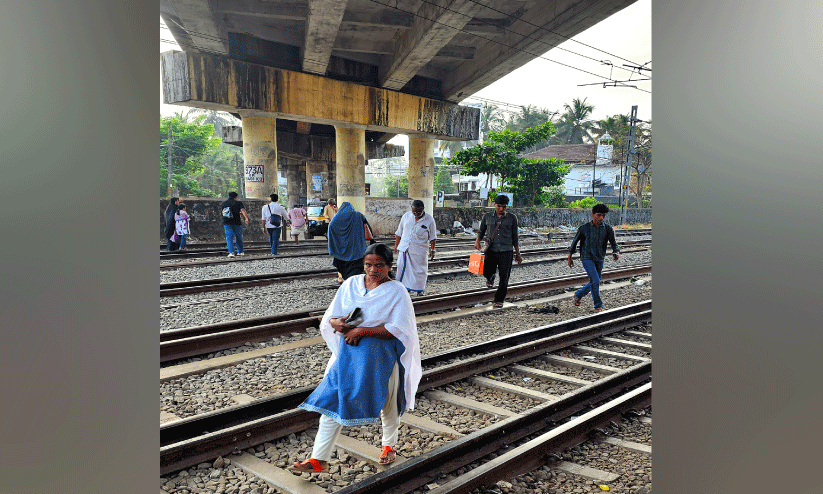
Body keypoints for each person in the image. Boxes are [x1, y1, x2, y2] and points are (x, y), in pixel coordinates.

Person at [290, 243, 421, 473]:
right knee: (333, 399)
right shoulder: (351, 284)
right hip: (348, 356)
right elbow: (331, 316)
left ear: (389, 266)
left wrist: (362, 331)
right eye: (368, 265)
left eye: (379, 266)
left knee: (389, 402)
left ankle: (388, 445)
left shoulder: (397, 291)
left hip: (381, 356)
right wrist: (336, 323)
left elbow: (400, 329)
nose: (373, 270)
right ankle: (318, 459)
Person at [567, 203, 621, 312]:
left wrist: (616, 251)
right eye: (598, 215)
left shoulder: (608, 229)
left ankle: (579, 294)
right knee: (595, 280)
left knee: (595, 281)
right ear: (593, 214)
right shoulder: (584, 228)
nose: (601, 218)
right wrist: (570, 256)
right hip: (587, 257)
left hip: (600, 258)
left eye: (603, 216)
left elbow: (613, 242)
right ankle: (598, 305)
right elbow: (574, 242)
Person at [474, 194, 522, 308]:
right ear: (494, 205)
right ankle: (490, 277)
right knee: (486, 271)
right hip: (491, 250)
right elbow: (482, 230)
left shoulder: (512, 218)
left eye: (504, 207)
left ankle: (499, 299)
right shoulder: (487, 216)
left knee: (504, 277)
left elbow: (515, 236)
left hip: (506, 251)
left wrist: (518, 253)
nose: (501, 209)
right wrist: (477, 241)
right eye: (499, 206)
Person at [393, 199, 437, 295]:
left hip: (419, 250)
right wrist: (396, 245)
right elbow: (399, 232)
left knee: (419, 271)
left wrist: (433, 250)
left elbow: (433, 237)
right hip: (405, 247)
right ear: (411, 209)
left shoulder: (429, 219)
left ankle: (419, 290)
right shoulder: (406, 216)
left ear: (423, 209)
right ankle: (404, 289)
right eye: (414, 212)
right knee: (401, 267)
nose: (416, 213)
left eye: (419, 212)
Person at [327, 202, 369, 281]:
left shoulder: (337, 218)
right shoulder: (358, 215)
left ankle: (347, 282)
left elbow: (331, 227)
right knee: (356, 275)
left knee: (345, 274)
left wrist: (334, 242)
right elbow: (366, 226)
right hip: (357, 252)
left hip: (341, 254)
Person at [220, 191, 249, 257]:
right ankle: (240, 252)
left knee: (229, 238)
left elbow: (223, 213)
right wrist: (246, 218)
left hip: (227, 222)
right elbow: (243, 210)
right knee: (238, 237)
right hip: (237, 222)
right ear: (235, 197)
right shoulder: (238, 203)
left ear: (229, 196)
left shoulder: (223, 203)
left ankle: (231, 253)